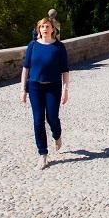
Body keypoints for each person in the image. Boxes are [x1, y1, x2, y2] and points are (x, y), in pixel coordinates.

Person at [21, 17, 70, 170]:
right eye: (42, 26)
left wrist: (65, 90)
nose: (45, 29)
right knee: (38, 120)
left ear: (53, 29)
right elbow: (26, 68)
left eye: (47, 26)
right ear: (38, 29)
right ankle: (42, 154)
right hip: (35, 86)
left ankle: (57, 135)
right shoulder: (33, 46)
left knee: (52, 118)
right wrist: (23, 89)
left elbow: (65, 70)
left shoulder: (59, 47)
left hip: (53, 87)